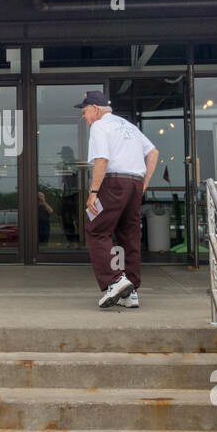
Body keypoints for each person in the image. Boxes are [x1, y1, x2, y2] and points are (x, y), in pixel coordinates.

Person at [76, 90, 159, 308]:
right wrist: (145, 183)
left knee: (96, 228)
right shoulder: (129, 126)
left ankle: (115, 280)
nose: (84, 117)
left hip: (113, 183)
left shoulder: (99, 126)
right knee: (128, 235)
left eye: (85, 111)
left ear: (95, 109)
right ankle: (130, 293)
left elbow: (102, 159)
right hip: (134, 184)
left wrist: (93, 192)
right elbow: (153, 153)